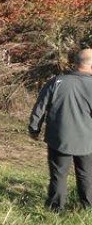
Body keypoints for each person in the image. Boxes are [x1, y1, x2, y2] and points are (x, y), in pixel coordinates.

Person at [28, 48, 92, 211]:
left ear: (75, 63)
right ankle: (88, 207)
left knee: (59, 175)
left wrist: (34, 128)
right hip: (87, 140)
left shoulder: (56, 82)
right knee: (86, 175)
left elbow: (40, 107)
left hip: (59, 138)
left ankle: (56, 208)